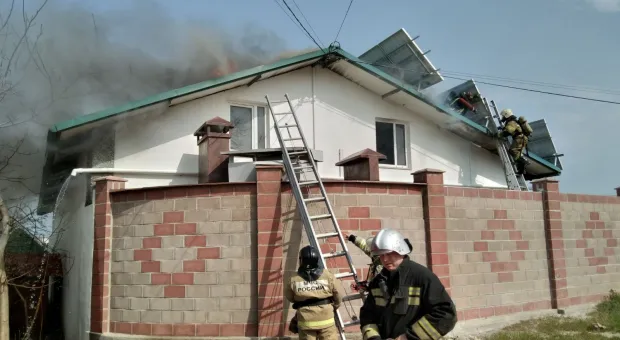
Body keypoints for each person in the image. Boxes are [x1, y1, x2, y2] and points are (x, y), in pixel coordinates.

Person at [359, 228, 457, 340]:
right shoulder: (378, 281)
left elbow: (446, 314)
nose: (385, 259)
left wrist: (407, 338)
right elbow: (367, 315)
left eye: (389, 253)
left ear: (401, 250)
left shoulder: (422, 277)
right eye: (381, 255)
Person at [285, 245, 343, 340]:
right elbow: (338, 295)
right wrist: (334, 306)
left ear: (301, 260)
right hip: (326, 319)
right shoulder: (328, 275)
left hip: (306, 321)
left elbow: (290, 297)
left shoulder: (293, 279)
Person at [497, 108, 532, 175]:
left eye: (503, 116)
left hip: (520, 138)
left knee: (513, 151)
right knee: (517, 154)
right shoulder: (512, 121)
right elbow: (508, 129)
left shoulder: (512, 122)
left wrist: (498, 134)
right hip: (521, 138)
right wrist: (502, 128)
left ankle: (524, 161)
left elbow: (508, 132)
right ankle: (521, 171)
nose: (503, 117)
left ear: (506, 115)